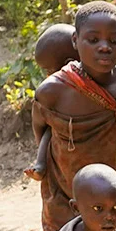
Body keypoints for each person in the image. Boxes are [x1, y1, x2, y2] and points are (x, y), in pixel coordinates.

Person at [32, 0, 116, 231]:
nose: (104, 47)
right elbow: (40, 128)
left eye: (114, 40)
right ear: (75, 41)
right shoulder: (52, 91)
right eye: (93, 40)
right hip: (65, 192)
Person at [25, 24, 78, 183]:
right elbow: (40, 125)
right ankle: (40, 164)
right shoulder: (51, 91)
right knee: (50, 130)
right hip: (62, 130)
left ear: (68, 63)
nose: (47, 75)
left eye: (48, 70)